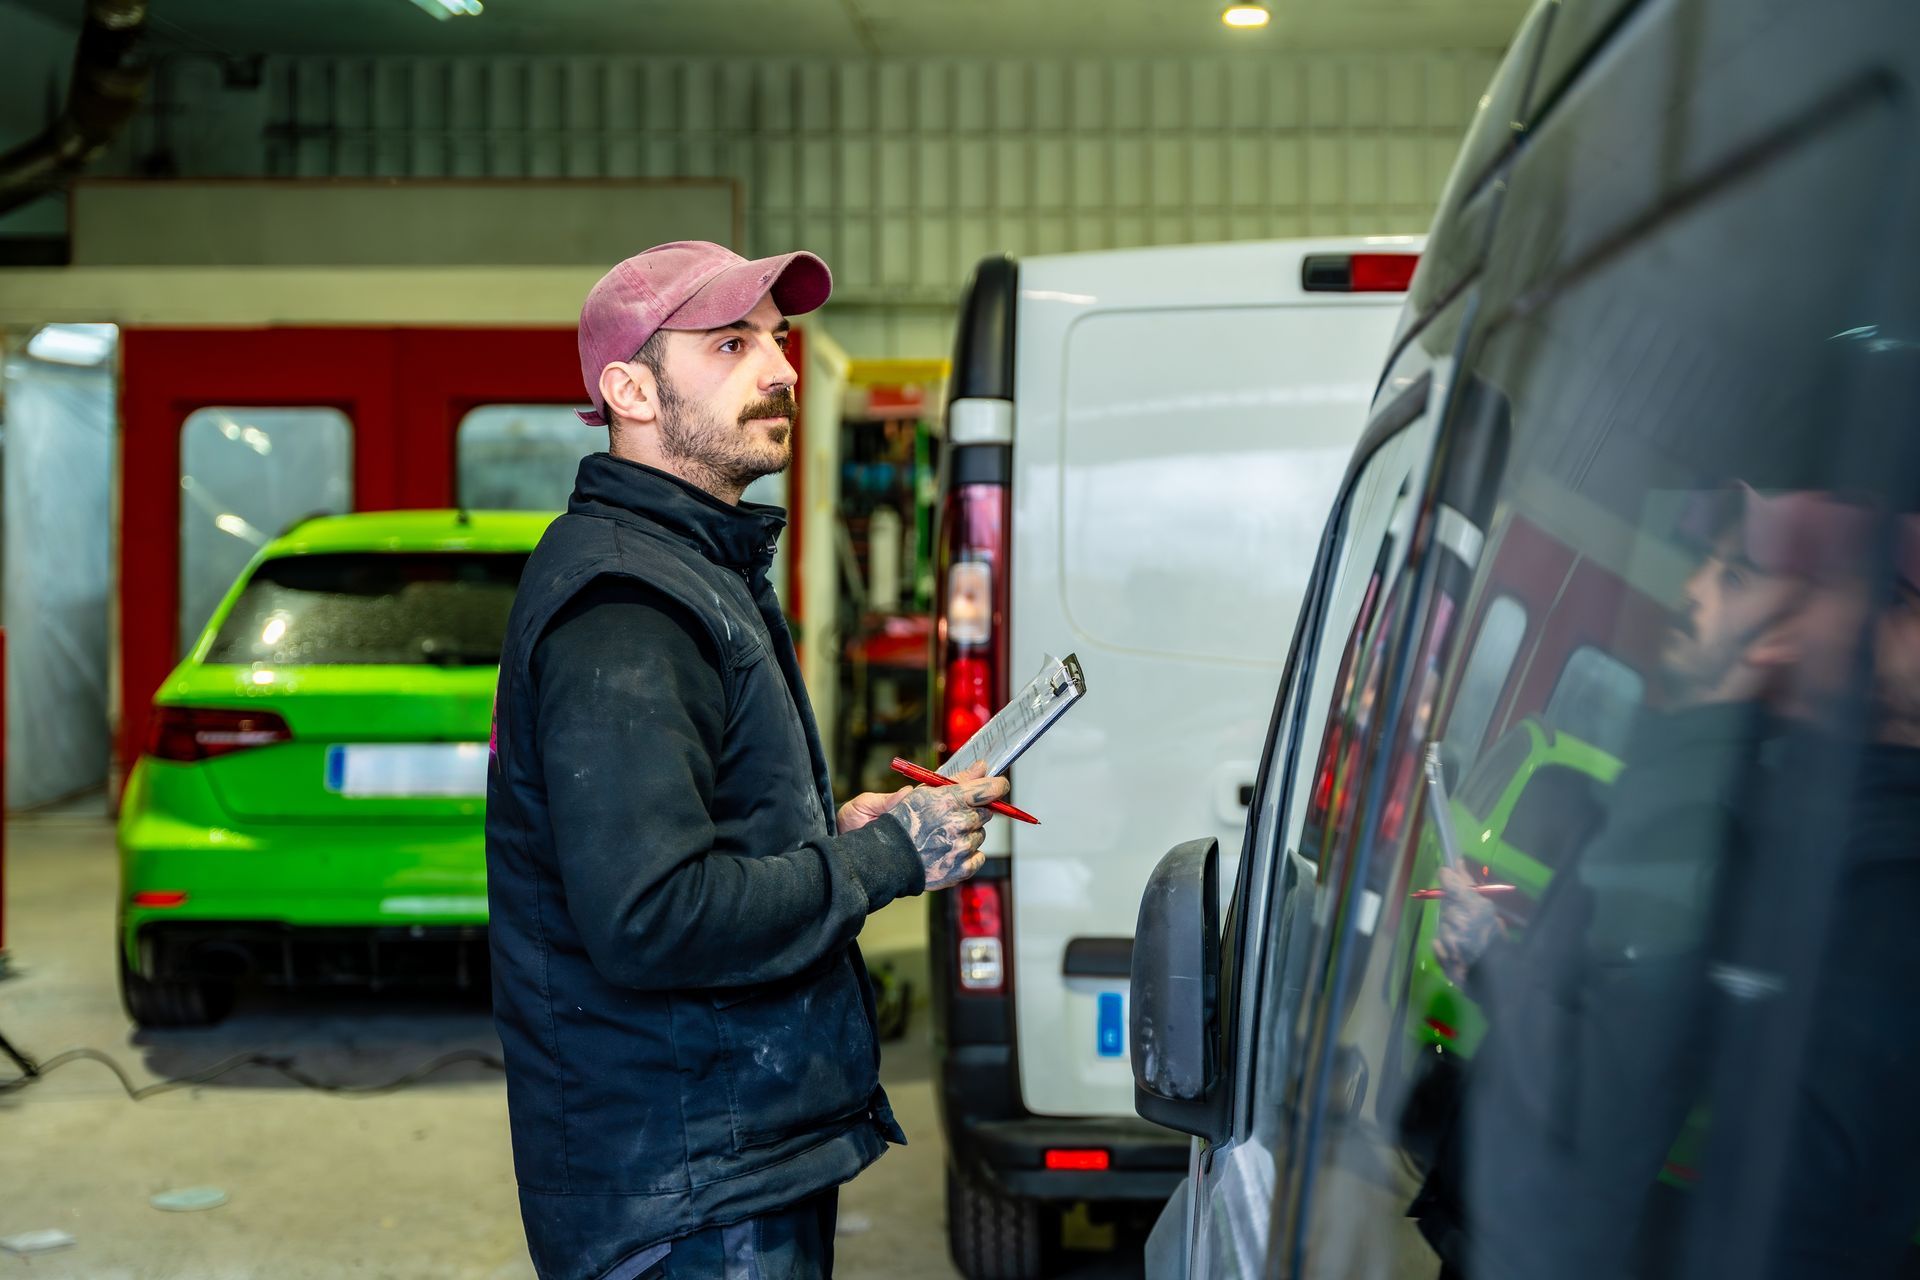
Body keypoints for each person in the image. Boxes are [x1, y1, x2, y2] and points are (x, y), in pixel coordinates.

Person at [484, 241, 1010, 1280]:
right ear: (629, 388)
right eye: (731, 343)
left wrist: (831, 836)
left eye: (775, 339)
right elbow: (652, 915)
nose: (781, 369)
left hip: (722, 1156)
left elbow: (703, 836)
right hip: (688, 1187)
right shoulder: (628, 609)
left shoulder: (694, 564)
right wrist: (883, 859)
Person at [1413, 484, 1871, 1280]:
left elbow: (1601, 1075)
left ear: (1782, 640)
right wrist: (1486, 952)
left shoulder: (1705, 817)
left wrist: (1491, 958)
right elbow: (1583, 1006)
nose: (1693, 591)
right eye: (1707, 566)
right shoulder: (1674, 781)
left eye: (1733, 580)